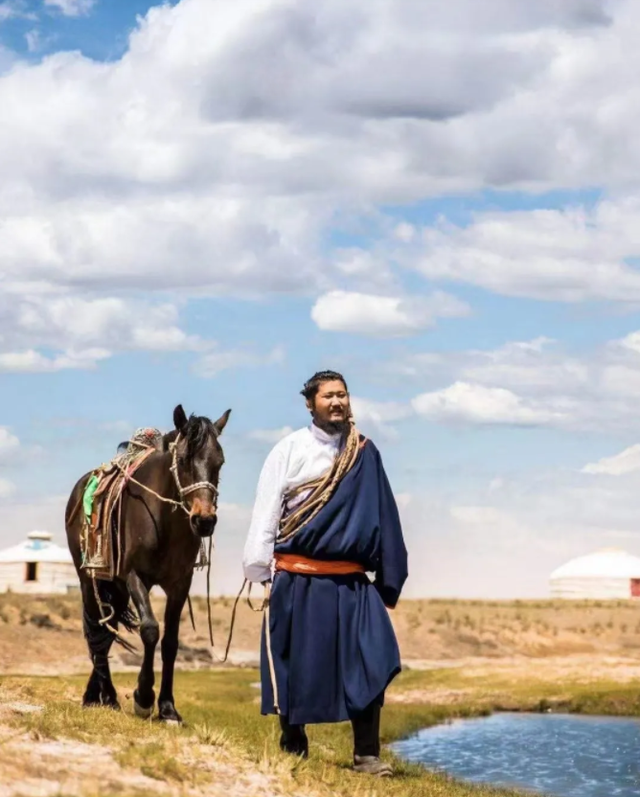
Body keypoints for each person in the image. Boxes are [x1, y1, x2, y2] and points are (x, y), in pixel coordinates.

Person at [242, 370, 408, 776]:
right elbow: (267, 512)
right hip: (298, 578)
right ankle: (293, 742)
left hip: (352, 582)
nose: (337, 402)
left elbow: (385, 516)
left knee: (372, 657)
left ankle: (366, 755)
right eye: (328, 396)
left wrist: (389, 578)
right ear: (309, 404)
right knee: (295, 663)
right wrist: (260, 570)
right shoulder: (288, 450)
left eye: (343, 395)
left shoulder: (364, 453)